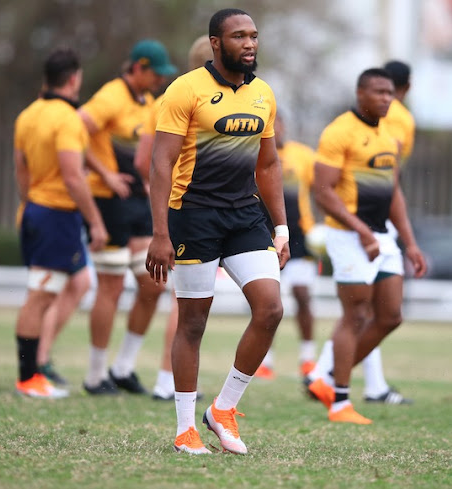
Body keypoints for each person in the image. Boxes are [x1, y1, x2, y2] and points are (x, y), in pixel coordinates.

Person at [146, 8, 289, 455]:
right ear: (214, 43)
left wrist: (281, 225)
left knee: (270, 309)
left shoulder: (263, 93)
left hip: (245, 215)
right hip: (193, 215)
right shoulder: (184, 90)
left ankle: (223, 410)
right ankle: (185, 428)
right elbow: (159, 164)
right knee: (193, 322)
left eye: (254, 36)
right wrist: (160, 233)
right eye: (239, 36)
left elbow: (267, 164)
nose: (249, 44)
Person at [306, 68, 427, 424]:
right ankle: (341, 401)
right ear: (360, 93)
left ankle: (327, 379)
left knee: (390, 316)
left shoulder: (391, 135)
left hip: (383, 237)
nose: (386, 98)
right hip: (347, 237)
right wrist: (360, 231)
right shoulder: (339, 131)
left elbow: (394, 194)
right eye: (378, 92)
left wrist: (410, 243)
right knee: (355, 316)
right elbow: (323, 193)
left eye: (390, 92)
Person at [79, 39, 177, 395]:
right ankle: (94, 375)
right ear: (138, 67)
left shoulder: (148, 103)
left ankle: (123, 367)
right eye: (155, 73)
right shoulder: (111, 96)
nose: (159, 80)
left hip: (137, 201)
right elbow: (77, 128)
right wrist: (104, 173)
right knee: (112, 286)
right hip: (108, 200)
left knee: (153, 284)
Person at [13, 48, 108, 398]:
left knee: (79, 280)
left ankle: (38, 362)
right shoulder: (67, 119)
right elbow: (72, 176)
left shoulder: (28, 115)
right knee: (40, 295)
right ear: (74, 79)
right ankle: (29, 376)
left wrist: (28, 205)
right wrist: (95, 222)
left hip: (38, 210)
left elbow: (20, 169)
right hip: (57, 214)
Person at [134, 35, 213, 401]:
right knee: (183, 302)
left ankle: (158, 376)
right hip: (188, 208)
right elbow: (148, 162)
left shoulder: (169, 99)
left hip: (186, 208)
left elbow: (144, 162)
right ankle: (167, 381)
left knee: (178, 300)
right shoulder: (183, 99)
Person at [254, 111, 318, 380]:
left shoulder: (304, 156)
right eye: (271, 125)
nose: (276, 129)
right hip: (263, 234)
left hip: (300, 234)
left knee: (302, 294)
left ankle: (307, 358)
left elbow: (324, 187)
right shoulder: (255, 156)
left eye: (278, 124)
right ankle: (265, 361)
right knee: (268, 301)